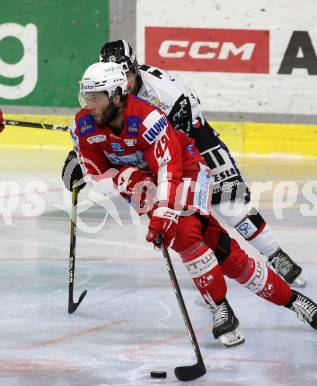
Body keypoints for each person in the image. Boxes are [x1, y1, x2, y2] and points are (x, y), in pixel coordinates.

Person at [70, 61, 317, 347]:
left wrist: (163, 211)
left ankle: (219, 307)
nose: (89, 105)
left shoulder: (148, 118)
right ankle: (294, 301)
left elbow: (169, 167)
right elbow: (99, 171)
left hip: (186, 171)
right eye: (86, 97)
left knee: (183, 232)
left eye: (95, 97)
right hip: (145, 186)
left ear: (116, 95)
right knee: (221, 250)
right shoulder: (84, 124)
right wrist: (124, 176)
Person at [62, 40, 305, 288]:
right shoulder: (107, 95)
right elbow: (97, 131)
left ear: (135, 69)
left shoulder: (165, 95)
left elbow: (176, 147)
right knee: (193, 221)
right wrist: (80, 156)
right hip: (150, 150)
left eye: (128, 75)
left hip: (191, 140)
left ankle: (276, 255)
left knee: (231, 202)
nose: (123, 83)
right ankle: (216, 271)